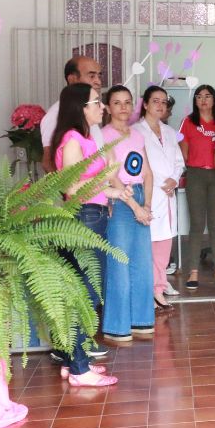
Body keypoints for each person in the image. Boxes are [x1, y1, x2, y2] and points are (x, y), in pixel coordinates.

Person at [49, 83, 130, 386]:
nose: (102, 107)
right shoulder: (72, 139)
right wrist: (108, 182)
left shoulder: (84, 138)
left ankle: (73, 362)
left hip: (93, 215)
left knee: (86, 291)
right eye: (97, 102)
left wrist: (114, 190)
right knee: (86, 293)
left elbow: (93, 182)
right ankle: (79, 369)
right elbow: (72, 187)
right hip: (84, 218)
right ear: (80, 107)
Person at [100, 85, 156, 342]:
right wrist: (135, 207)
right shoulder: (104, 135)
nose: (123, 107)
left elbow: (148, 173)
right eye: (117, 102)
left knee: (142, 261)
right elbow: (111, 175)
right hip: (119, 199)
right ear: (108, 107)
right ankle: (117, 326)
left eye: (127, 102)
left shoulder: (137, 135)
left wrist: (147, 206)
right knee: (119, 262)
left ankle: (141, 321)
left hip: (140, 197)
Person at [134, 86, 185, 310]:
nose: (160, 105)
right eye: (155, 101)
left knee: (164, 245)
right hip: (148, 194)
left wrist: (174, 178)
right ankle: (147, 291)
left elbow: (179, 162)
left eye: (164, 102)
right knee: (147, 246)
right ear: (145, 104)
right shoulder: (135, 132)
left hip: (167, 194)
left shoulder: (170, 133)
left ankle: (158, 289)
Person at [178, 85, 215, 290]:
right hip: (196, 175)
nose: (203, 100)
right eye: (199, 96)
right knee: (197, 223)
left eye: (207, 96)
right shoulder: (188, 121)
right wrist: (194, 164)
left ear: (214, 99)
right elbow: (183, 150)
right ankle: (193, 271)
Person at [40, 56, 104, 173]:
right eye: (91, 76)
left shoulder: (92, 110)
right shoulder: (56, 114)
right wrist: (67, 186)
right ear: (72, 79)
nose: (98, 81)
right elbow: (48, 162)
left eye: (99, 76)